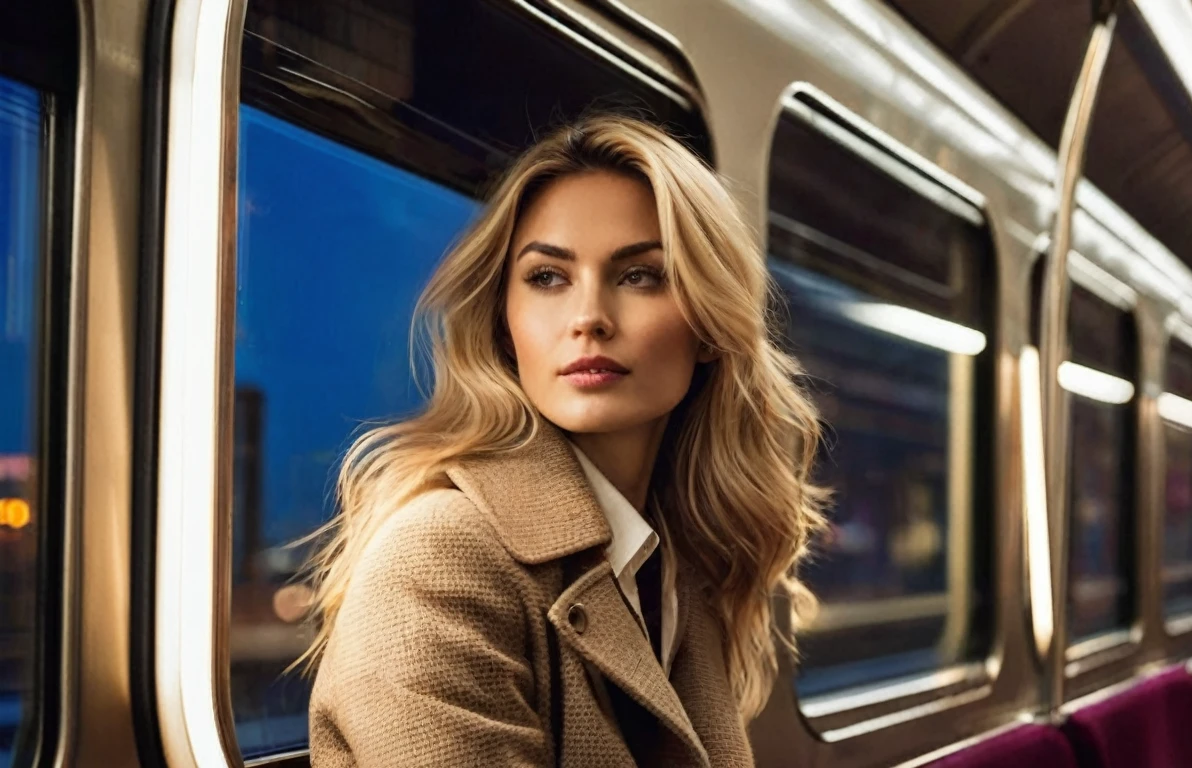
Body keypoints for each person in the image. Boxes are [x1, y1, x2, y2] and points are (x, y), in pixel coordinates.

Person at [300, 114, 828, 767]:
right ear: (504, 323)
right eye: (548, 278)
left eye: (640, 275)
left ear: (709, 326)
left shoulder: (676, 564)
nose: (588, 320)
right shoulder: (441, 560)